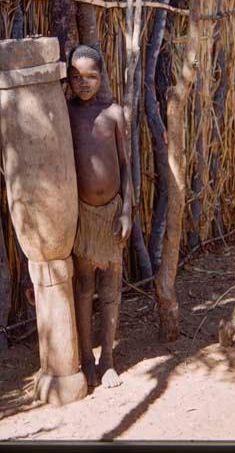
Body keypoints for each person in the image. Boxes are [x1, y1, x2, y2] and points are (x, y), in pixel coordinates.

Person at [67, 44, 132, 388]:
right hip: (81, 216)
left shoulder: (114, 114)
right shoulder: (66, 114)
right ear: (68, 79)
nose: (85, 83)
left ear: (102, 76)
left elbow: (126, 167)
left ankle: (108, 358)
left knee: (110, 286)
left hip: (111, 214)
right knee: (83, 286)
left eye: (92, 76)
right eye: (77, 77)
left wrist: (127, 212)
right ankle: (86, 358)